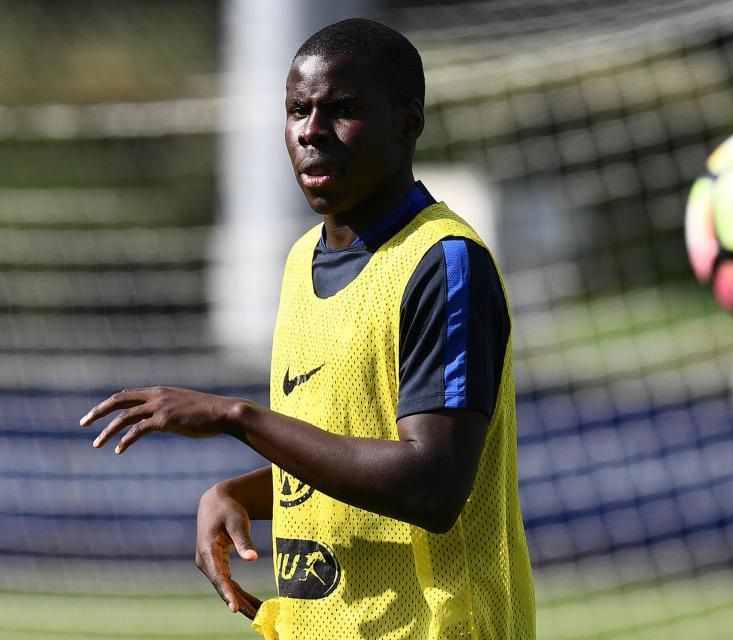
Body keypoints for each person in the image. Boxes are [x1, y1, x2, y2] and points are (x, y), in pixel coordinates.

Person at [79, 17, 536, 640]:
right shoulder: (301, 261)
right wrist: (239, 492)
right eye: (298, 109)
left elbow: (431, 485)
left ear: (409, 120)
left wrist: (238, 418)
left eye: (343, 109)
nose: (313, 131)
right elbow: (346, 454)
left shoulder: (443, 263)